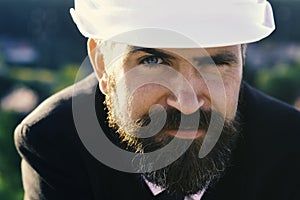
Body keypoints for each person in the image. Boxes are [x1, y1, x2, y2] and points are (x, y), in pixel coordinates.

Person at [14, 0, 300, 200]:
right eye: (154, 61)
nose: (187, 104)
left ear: (242, 56)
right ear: (102, 63)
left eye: (215, 64)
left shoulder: (290, 147)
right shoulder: (55, 141)